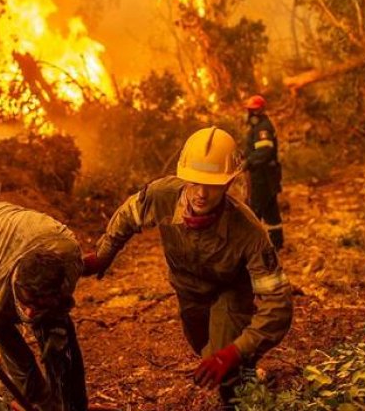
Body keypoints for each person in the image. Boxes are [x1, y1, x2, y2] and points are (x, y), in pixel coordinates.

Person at [84, 126, 293, 407]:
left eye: (213, 184)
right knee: (202, 347)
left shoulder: (249, 232)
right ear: (183, 176)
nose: (201, 194)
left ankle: (241, 393)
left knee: (224, 363)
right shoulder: (162, 196)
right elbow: (128, 215)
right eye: (194, 182)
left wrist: (233, 352)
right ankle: (243, 366)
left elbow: (278, 306)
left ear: (229, 183)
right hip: (189, 292)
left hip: (229, 293)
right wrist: (104, 254)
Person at [0, 202, 87, 411]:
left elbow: (59, 325)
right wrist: (42, 402)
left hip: (24, 229)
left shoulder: (70, 260)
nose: (29, 312)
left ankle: (73, 404)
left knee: (56, 332)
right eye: (25, 303)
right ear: (15, 283)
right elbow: (18, 360)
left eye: (38, 305)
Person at [243, 95, 284, 250]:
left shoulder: (263, 128)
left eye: (253, 110)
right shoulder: (257, 127)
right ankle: (277, 242)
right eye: (249, 110)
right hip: (264, 175)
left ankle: (252, 245)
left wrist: (249, 162)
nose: (250, 113)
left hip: (263, 176)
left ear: (260, 110)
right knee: (270, 210)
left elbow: (265, 151)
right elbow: (255, 150)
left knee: (255, 209)